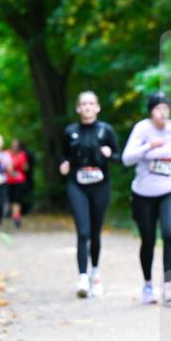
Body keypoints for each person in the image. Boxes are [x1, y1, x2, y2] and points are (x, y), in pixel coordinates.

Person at [122, 91, 171, 305]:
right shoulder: (142, 129)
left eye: (165, 108)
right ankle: (148, 285)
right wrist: (147, 147)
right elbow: (126, 158)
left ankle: (169, 287)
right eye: (157, 109)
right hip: (144, 193)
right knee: (148, 240)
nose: (161, 113)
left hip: (170, 189)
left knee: (170, 234)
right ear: (151, 111)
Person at [60, 91, 121, 298]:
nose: (87, 107)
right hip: (77, 185)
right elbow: (62, 154)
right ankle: (82, 277)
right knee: (83, 231)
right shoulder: (70, 131)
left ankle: (95, 272)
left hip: (100, 185)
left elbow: (119, 157)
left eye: (91, 103)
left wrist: (109, 155)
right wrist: (63, 164)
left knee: (95, 232)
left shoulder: (106, 131)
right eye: (83, 104)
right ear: (78, 108)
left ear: (97, 107)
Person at [6, 138, 29, 228]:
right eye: (13, 144)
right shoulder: (7, 154)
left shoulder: (22, 154)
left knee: (17, 200)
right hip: (9, 181)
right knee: (11, 200)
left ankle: (16, 217)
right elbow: (6, 166)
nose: (15, 146)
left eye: (16, 144)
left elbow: (26, 167)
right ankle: (14, 215)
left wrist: (24, 166)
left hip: (20, 181)